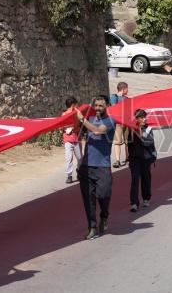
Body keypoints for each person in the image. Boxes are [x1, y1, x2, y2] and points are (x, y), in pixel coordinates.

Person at [76, 96, 116, 240]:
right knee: (88, 199)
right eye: (96, 105)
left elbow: (98, 131)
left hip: (102, 166)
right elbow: (76, 128)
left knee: (103, 195)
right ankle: (92, 227)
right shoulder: (90, 118)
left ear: (107, 106)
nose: (98, 108)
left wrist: (82, 119)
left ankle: (104, 215)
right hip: (87, 166)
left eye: (101, 105)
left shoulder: (110, 121)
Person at [127, 109, 157, 212]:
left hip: (146, 158)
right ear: (137, 119)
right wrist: (129, 157)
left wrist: (141, 136)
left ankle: (146, 198)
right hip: (135, 159)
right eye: (142, 117)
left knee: (146, 179)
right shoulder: (131, 129)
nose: (144, 119)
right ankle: (134, 203)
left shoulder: (148, 129)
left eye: (145, 117)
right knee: (135, 180)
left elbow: (150, 142)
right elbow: (129, 144)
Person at [62, 97, 83, 184]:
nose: (78, 106)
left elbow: (81, 123)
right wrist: (66, 128)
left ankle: (79, 172)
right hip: (68, 139)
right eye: (76, 104)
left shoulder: (77, 113)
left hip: (76, 138)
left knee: (80, 158)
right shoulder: (64, 114)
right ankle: (69, 176)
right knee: (69, 158)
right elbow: (61, 126)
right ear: (73, 105)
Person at [110, 82, 130, 168]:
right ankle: (117, 160)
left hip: (127, 122)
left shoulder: (127, 98)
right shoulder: (114, 97)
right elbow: (115, 108)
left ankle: (128, 158)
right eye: (127, 88)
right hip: (118, 123)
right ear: (123, 89)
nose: (128, 90)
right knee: (117, 142)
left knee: (127, 141)